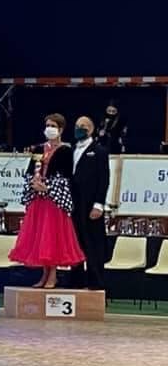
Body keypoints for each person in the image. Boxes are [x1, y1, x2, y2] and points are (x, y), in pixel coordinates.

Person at [9, 113, 84, 289]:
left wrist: (48, 188)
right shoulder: (38, 149)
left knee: (52, 236)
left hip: (53, 200)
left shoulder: (65, 150)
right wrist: (34, 183)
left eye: (53, 126)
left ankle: (53, 275)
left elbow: (66, 176)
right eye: (47, 125)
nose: (49, 129)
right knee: (40, 236)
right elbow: (30, 171)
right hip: (38, 200)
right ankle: (44, 273)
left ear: (61, 129)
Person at [69, 116, 110, 290]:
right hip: (73, 204)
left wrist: (99, 204)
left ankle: (96, 282)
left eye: (84, 126)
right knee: (75, 242)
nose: (80, 128)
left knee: (93, 243)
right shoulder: (71, 149)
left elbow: (104, 179)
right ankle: (76, 281)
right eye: (77, 125)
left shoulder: (99, 151)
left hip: (91, 204)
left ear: (91, 129)